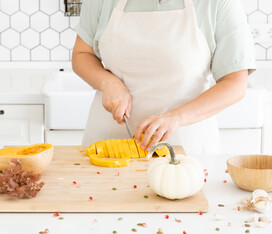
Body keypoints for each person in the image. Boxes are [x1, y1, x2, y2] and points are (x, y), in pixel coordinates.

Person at [72, 0, 256, 155]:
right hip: (108, 147)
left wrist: (177, 117)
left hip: (185, 149)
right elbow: (81, 54)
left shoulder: (217, 3)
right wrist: (107, 82)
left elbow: (235, 82)